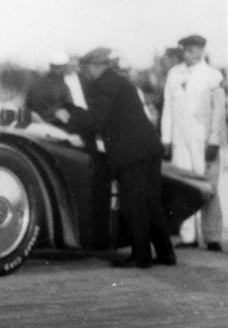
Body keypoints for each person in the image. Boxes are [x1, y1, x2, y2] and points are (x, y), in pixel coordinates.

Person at [54, 47, 175, 269]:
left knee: (133, 204)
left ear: (95, 66)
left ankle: (141, 256)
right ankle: (166, 253)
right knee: (151, 203)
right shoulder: (119, 82)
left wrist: (68, 118)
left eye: (85, 68)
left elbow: (96, 120)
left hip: (130, 152)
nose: (83, 73)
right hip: (148, 147)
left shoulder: (103, 85)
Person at [160, 34, 226, 250]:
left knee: (208, 186)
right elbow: (168, 107)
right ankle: (188, 235)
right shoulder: (174, 73)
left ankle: (212, 236)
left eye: (196, 49)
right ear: (183, 51)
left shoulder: (213, 75)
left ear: (202, 51)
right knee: (184, 186)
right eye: (188, 50)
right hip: (180, 139)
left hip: (203, 139)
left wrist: (214, 140)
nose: (192, 53)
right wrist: (166, 138)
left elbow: (218, 111)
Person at [25, 52, 77, 125]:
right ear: (63, 68)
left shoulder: (35, 84)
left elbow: (27, 107)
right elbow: (70, 108)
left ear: (50, 66)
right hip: (56, 126)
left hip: (36, 126)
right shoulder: (62, 86)